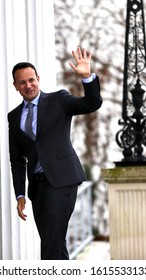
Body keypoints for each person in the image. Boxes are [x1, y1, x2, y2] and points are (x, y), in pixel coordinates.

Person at [8, 47, 102, 260]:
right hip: (37, 187)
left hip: (62, 181)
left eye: (31, 80)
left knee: (51, 244)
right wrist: (20, 194)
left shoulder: (58, 100)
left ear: (38, 79)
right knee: (54, 244)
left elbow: (91, 103)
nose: (28, 85)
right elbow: (17, 159)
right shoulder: (13, 117)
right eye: (22, 82)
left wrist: (87, 78)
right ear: (15, 86)